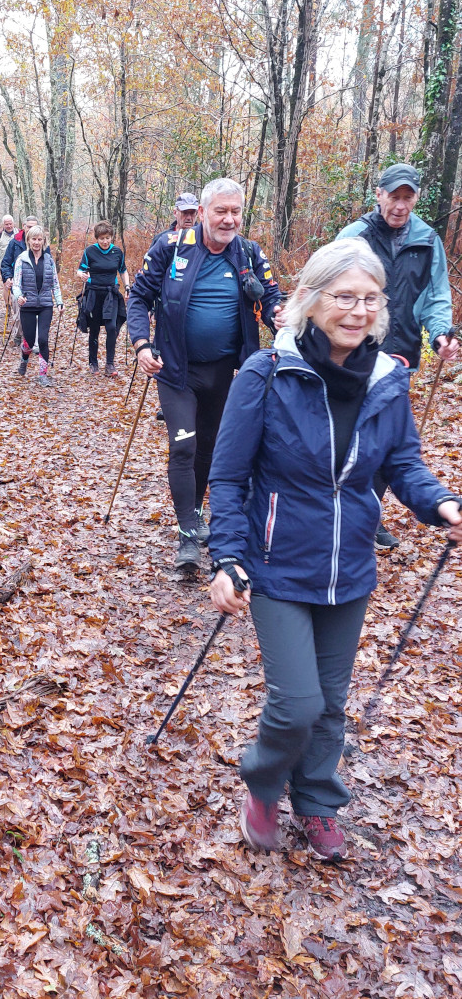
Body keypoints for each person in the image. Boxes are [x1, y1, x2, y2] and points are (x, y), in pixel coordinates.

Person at [207, 237, 462, 862]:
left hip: (349, 568)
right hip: (275, 565)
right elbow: (227, 477)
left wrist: (440, 504)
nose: (358, 310)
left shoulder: (386, 380)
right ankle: (264, 784)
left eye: (371, 299)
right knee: (297, 703)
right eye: (344, 297)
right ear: (311, 301)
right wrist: (226, 557)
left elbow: (404, 462)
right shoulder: (266, 375)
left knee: (331, 703)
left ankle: (317, 799)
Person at [127, 177, 282, 571]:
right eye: (221, 211)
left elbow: (274, 300)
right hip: (176, 369)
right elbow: (140, 296)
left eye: (235, 212)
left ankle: (195, 514)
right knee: (183, 445)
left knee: (209, 448)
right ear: (202, 213)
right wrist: (142, 345)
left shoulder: (248, 253)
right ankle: (186, 536)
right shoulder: (172, 247)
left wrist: (287, 322)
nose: (229, 220)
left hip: (227, 373)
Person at [336, 163, 460, 550]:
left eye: (408, 197)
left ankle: (367, 517)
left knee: (386, 439)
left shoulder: (427, 240)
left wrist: (440, 334)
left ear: (416, 199)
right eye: (394, 196)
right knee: (347, 434)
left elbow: (436, 295)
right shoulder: (354, 236)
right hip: (352, 353)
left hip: (400, 354)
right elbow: (326, 286)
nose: (400, 205)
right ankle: (337, 510)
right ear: (379, 194)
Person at [12, 226, 63, 387]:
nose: (36, 242)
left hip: (45, 304)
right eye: (33, 239)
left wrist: (59, 302)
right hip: (28, 303)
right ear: (28, 240)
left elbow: (55, 283)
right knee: (28, 340)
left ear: (44, 241)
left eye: (39, 239)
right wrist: (18, 296)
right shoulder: (21, 259)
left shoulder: (48, 260)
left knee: (42, 339)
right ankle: (24, 358)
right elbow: (16, 283)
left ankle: (43, 375)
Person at [77, 220, 129, 377]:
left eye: (107, 238)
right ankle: (93, 363)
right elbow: (80, 270)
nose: (105, 241)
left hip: (110, 294)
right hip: (93, 294)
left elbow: (123, 270)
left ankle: (110, 364)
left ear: (111, 237)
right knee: (94, 329)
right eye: (101, 238)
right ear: (97, 238)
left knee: (111, 328)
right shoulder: (90, 251)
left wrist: (127, 286)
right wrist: (82, 275)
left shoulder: (117, 252)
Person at [1, 216, 39, 346]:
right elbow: (5, 263)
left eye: (34, 227)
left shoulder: (42, 243)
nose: (31, 229)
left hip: (36, 284)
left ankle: (31, 339)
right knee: (19, 313)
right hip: (18, 284)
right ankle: (18, 335)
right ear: (23, 226)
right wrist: (8, 278)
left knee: (36, 313)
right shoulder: (15, 242)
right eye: (29, 226)